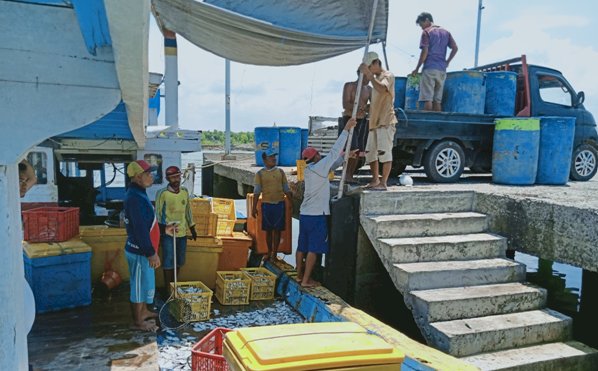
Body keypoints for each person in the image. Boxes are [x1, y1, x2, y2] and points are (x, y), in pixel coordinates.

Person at [296, 117, 356, 288]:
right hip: (317, 215)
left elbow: (332, 164)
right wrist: (346, 129)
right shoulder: (320, 167)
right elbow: (333, 152)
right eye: (317, 153)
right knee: (314, 248)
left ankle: (299, 276)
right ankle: (307, 280)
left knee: (302, 247)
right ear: (315, 156)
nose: (319, 154)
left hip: (305, 213)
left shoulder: (311, 169)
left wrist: (345, 157)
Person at [123, 160, 164, 332]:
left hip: (144, 251)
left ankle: (144, 311)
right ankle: (139, 321)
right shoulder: (134, 198)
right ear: (138, 177)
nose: (152, 176)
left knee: (144, 283)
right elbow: (139, 230)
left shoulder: (139, 193)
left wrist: (164, 229)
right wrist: (150, 253)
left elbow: (147, 223)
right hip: (140, 252)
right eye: (148, 174)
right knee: (138, 287)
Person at [359, 52, 398, 191]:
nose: (369, 70)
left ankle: (383, 182)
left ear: (376, 63)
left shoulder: (387, 75)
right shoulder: (374, 80)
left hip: (386, 121)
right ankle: (375, 180)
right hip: (374, 122)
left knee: (384, 152)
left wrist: (369, 76)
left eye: (370, 67)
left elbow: (382, 89)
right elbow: (378, 99)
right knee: (370, 152)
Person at [155, 166, 197, 294]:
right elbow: (157, 214)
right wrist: (161, 230)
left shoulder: (184, 191)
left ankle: (174, 285)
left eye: (178, 177)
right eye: (173, 178)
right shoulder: (162, 193)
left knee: (179, 260)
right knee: (168, 262)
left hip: (182, 233)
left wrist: (192, 227)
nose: (176, 180)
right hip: (168, 234)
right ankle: (168, 289)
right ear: (168, 179)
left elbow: (188, 211)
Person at [411, 12, 458, 112]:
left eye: (421, 24)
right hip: (441, 70)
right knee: (437, 100)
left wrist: (417, 68)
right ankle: (437, 126)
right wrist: (447, 61)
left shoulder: (427, 32)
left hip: (429, 69)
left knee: (427, 99)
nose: (421, 28)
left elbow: (425, 52)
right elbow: (455, 48)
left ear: (427, 20)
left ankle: (426, 126)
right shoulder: (446, 32)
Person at [252, 150, 292, 262]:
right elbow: (257, 192)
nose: (274, 159)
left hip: (279, 204)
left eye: (274, 157)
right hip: (266, 205)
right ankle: (269, 252)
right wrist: (253, 207)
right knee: (268, 230)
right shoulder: (260, 174)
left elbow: (286, 189)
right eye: (271, 157)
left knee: (278, 230)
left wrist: (291, 203)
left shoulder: (280, 172)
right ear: (264, 160)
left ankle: (274, 253)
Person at [339, 69, 372, 183]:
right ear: (361, 74)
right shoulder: (350, 86)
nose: (370, 79)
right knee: (351, 148)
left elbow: (373, 105)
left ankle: (350, 175)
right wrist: (358, 107)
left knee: (358, 150)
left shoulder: (369, 89)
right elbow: (345, 104)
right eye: (368, 76)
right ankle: (346, 174)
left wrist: (366, 108)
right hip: (349, 119)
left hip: (362, 121)